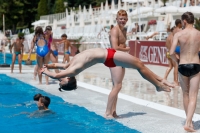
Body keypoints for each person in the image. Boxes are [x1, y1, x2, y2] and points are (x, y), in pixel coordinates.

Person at [40, 48, 174, 95]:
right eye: (61, 82)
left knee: (139, 64)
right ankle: (158, 85)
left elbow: (60, 66)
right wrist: (46, 72)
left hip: (109, 56)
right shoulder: (74, 70)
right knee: (139, 65)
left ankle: (160, 80)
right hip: (109, 56)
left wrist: (49, 66)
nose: (59, 80)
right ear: (68, 79)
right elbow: (57, 74)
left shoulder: (69, 66)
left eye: (59, 81)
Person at [170, 12, 200, 132]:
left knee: (185, 94)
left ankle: (189, 121)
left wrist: (177, 62)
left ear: (184, 21)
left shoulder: (179, 34)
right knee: (193, 95)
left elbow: (171, 52)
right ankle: (189, 122)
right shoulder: (199, 34)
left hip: (182, 65)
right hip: (196, 64)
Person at [105, 9, 130, 118]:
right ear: (116, 19)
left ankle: (113, 112)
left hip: (121, 58)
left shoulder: (124, 30)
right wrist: (126, 49)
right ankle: (107, 112)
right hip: (114, 58)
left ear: (127, 19)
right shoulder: (115, 30)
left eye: (124, 19)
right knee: (117, 86)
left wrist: (124, 51)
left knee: (116, 86)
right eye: (120, 19)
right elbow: (115, 47)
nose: (122, 21)